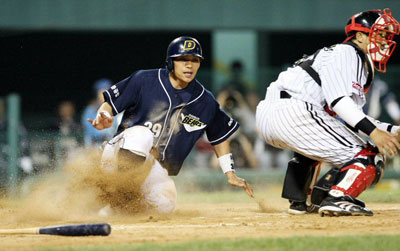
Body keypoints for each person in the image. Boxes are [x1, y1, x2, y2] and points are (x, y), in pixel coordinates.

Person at [256, 9, 400, 216]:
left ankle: (302, 201)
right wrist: (374, 133)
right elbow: (340, 103)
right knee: (369, 154)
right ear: (360, 36)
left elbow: (352, 115)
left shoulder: (340, 54)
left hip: (273, 114)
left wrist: (392, 130)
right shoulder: (348, 53)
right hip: (296, 111)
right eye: (381, 34)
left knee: (316, 149)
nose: (386, 40)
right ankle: (337, 198)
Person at [88, 36, 254, 214]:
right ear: (171, 62)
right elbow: (108, 105)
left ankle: (115, 208)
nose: (189, 65)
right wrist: (103, 115)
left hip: (153, 169)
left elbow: (220, 135)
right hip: (118, 157)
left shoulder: (205, 101)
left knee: (164, 207)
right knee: (142, 135)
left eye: (194, 60)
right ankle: (116, 192)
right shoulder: (144, 80)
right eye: (183, 59)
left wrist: (230, 173)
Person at [82, 79, 118, 148]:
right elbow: (90, 131)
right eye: (103, 92)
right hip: (93, 146)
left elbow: (115, 128)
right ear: (97, 94)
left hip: (109, 146)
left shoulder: (113, 109)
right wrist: (105, 132)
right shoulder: (90, 110)